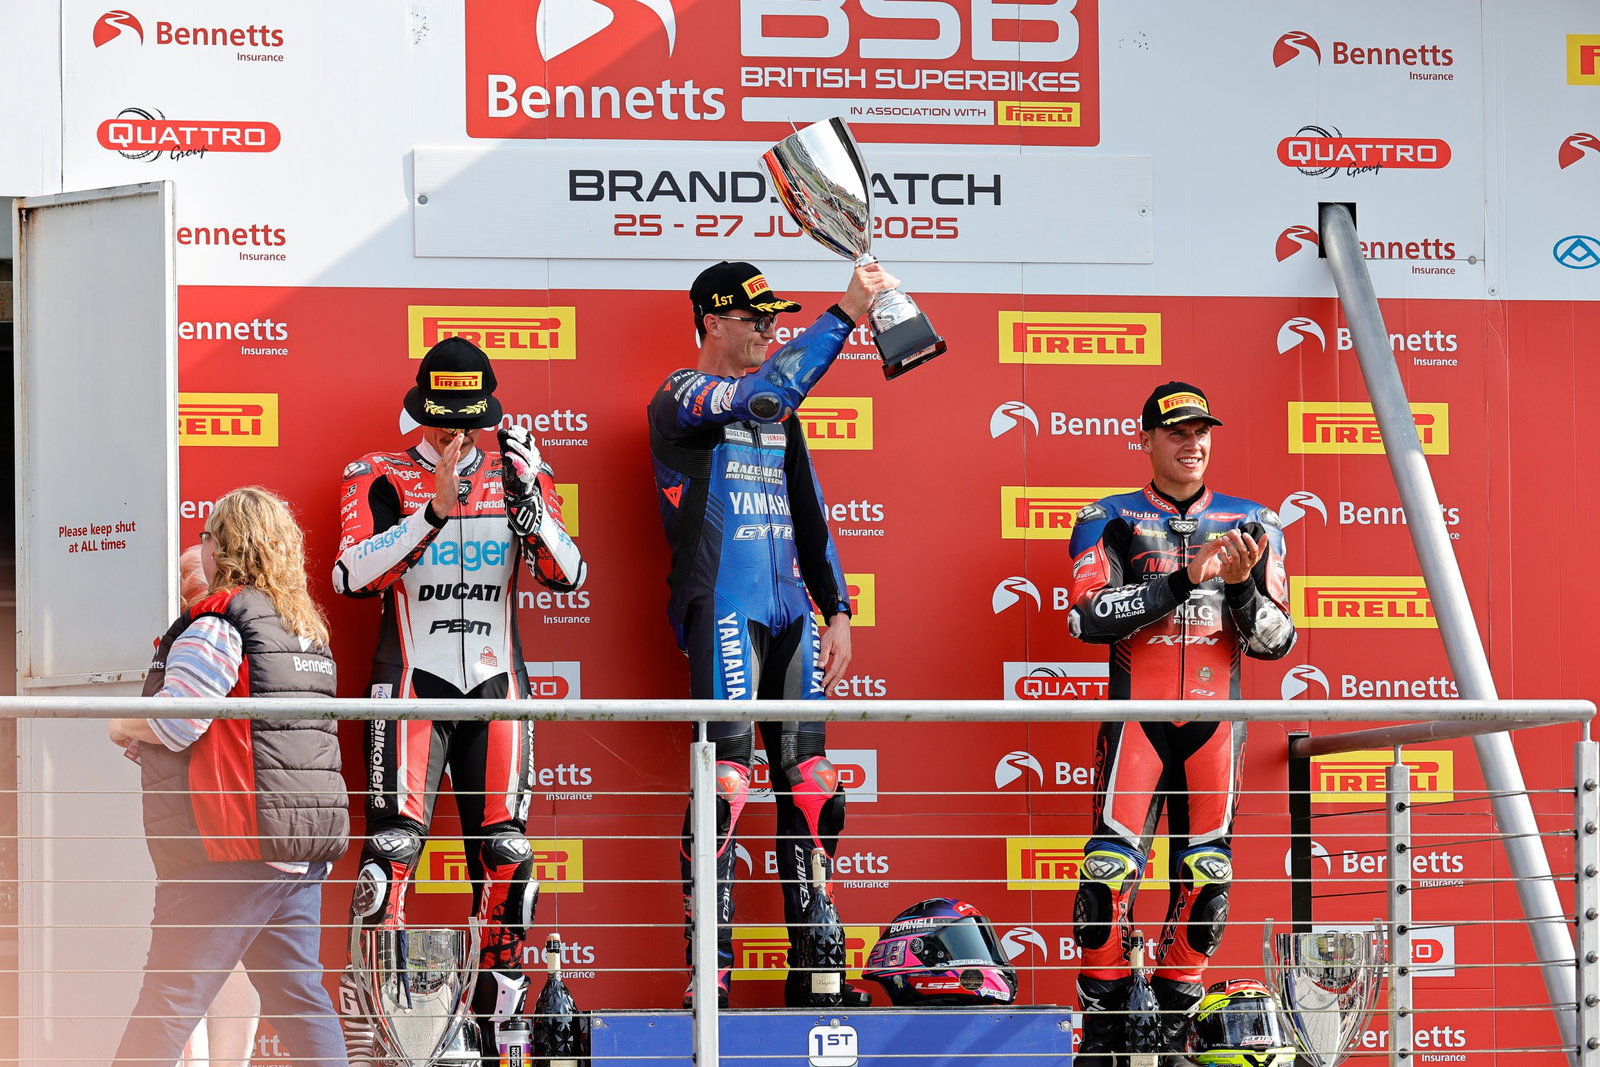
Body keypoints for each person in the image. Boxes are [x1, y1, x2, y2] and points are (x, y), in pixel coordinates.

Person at [647, 259, 897, 1008]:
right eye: (756, 318)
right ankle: (712, 978)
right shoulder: (682, 396)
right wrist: (846, 312)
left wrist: (840, 608)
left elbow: (812, 513)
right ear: (713, 322)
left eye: (776, 317)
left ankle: (816, 968)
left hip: (793, 610)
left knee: (814, 787)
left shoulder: (778, 416)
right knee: (723, 787)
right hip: (724, 606)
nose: (769, 328)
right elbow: (765, 391)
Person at [332, 336, 585, 1058]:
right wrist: (433, 513)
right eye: (441, 420)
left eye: (466, 421)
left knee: (509, 855)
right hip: (410, 681)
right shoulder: (374, 473)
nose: (454, 435)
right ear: (420, 411)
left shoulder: (520, 470)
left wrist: (533, 507)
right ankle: (389, 1034)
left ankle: (491, 1030)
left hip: (498, 685)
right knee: (391, 855)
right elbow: (352, 576)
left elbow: (569, 572)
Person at [1065, 382, 1297, 1065]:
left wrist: (1239, 585)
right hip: (1136, 722)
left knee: (1208, 881)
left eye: (1201, 431)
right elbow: (1085, 617)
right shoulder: (1107, 516)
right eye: (1176, 431)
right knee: (1106, 877)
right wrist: (1184, 578)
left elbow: (1276, 641)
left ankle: (1171, 1038)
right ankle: (1104, 1038)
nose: (1192, 442)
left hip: (1215, 730)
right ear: (1146, 439)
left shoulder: (1256, 521)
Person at [108, 487, 348, 1067]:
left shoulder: (219, 621)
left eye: (206, 536)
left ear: (227, 545)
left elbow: (179, 723)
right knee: (300, 1003)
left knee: (166, 1002)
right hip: (294, 848)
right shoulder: (301, 627)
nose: (202, 546)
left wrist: (122, 725)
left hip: (230, 845)